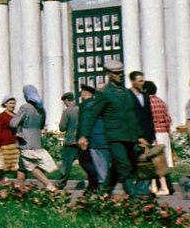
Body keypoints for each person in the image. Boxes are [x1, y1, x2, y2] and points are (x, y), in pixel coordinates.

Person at [87, 60, 147, 196]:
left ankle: (103, 194)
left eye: (121, 73)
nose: (119, 75)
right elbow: (91, 115)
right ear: (109, 74)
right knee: (124, 167)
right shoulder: (104, 93)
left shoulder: (126, 92)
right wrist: (84, 136)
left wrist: (140, 136)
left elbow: (132, 115)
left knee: (117, 167)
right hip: (114, 136)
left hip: (129, 136)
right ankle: (133, 199)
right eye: (116, 73)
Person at [12, 86, 57, 187]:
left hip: (25, 142)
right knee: (22, 168)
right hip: (36, 141)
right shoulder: (42, 109)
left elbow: (13, 124)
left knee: (31, 166)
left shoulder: (25, 107)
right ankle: (18, 188)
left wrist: (16, 132)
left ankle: (49, 185)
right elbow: (41, 125)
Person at [55, 92, 94, 190]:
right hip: (82, 141)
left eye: (64, 102)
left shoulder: (67, 111)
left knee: (66, 165)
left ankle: (61, 183)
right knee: (85, 163)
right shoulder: (81, 109)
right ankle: (93, 182)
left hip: (70, 141)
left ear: (67, 100)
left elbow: (62, 127)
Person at [143, 81, 174, 196]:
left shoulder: (147, 103)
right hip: (164, 132)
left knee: (154, 160)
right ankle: (155, 186)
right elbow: (168, 119)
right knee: (162, 159)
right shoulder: (161, 102)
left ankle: (160, 186)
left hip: (154, 133)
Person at [0, 98, 21, 175]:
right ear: (5, 104)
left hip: (15, 143)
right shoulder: (1, 116)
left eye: (14, 103)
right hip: (5, 144)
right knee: (5, 166)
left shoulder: (16, 115)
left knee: (15, 166)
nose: (12, 105)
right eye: (10, 103)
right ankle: (2, 182)